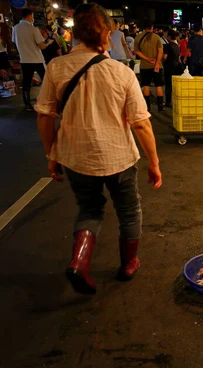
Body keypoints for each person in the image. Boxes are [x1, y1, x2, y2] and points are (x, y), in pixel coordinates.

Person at [35, 3, 162, 295]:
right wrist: (154, 163)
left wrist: (51, 153)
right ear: (106, 34)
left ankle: (80, 262)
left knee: (90, 209)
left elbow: (44, 116)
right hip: (119, 156)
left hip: (75, 157)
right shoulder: (121, 72)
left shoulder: (56, 67)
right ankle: (129, 264)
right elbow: (141, 124)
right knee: (129, 211)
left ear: (76, 34)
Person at [12, 8, 56, 110]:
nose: (33, 18)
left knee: (26, 82)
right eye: (32, 16)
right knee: (46, 80)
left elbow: (14, 42)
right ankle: (48, 100)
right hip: (37, 60)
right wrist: (49, 41)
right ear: (29, 16)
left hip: (24, 60)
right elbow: (42, 46)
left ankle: (27, 104)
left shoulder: (15, 28)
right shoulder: (33, 29)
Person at [133, 21, 165, 112]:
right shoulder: (157, 37)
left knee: (146, 85)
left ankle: (148, 108)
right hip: (157, 66)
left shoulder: (138, 37)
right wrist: (157, 63)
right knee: (158, 86)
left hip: (144, 66)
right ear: (152, 27)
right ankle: (160, 108)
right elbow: (160, 51)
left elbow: (137, 51)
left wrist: (147, 59)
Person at [163, 30, 181, 109]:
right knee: (174, 85)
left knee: (168, 85)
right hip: (176, 67)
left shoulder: (167, 46)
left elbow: (164, 57)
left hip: (169, 66)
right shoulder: (177, 46)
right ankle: (175, 101)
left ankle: (168, 102)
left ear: (169, 37)